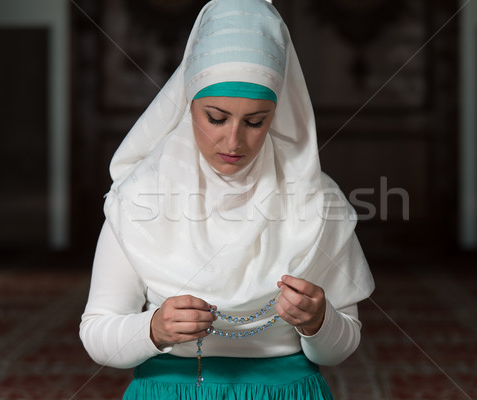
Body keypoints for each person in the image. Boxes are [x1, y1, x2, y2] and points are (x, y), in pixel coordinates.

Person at [80, 0, 374, 398]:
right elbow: (98, 333)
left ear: (278, 114)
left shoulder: (317, 199)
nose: (234, 142)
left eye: (255, 122)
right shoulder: (140, 198)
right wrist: (153, 329)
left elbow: (344, 343)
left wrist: (319, 322)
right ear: (188, 104)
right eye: (216, 118)